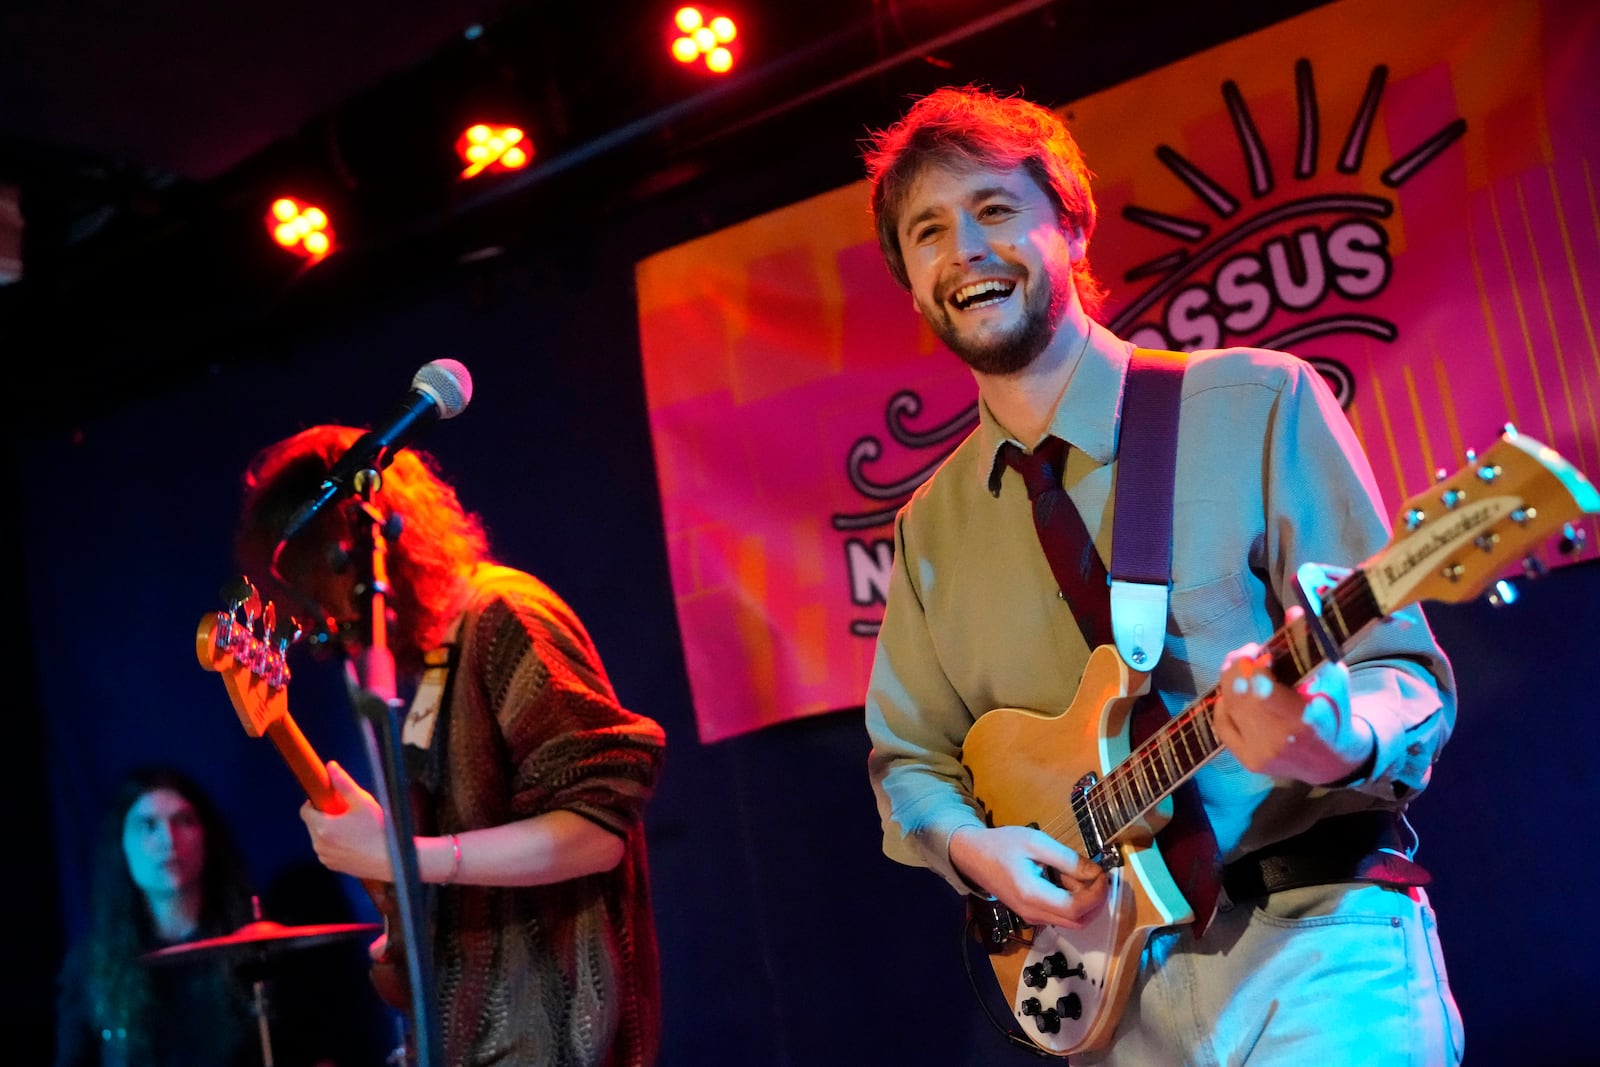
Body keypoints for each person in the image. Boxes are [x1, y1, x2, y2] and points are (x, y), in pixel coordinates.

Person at [860, 87, 1464, 1064]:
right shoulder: (928, 527)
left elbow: (1406, 675)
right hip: (1110, 1009)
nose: (963, 247)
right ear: (911, 279)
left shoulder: (1258, 399)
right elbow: (908, 764)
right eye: (928, 231)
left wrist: (1332, 737)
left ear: (1071, 226)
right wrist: (978, 851)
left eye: (996, 211)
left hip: (1310, 944)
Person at [233, 425, 666, 1067]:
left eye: (322, 583)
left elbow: (596, 831)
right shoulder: (436, 655)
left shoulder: (505, 614)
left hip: (554, 1042)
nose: (326, 619)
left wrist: (405, 856)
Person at [54, 766, 259, 1067]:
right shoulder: (92, 966)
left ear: (206, 837)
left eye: (183, 821)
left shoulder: (255, 952)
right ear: (121, 845)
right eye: (148, 825)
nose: (169, 839)